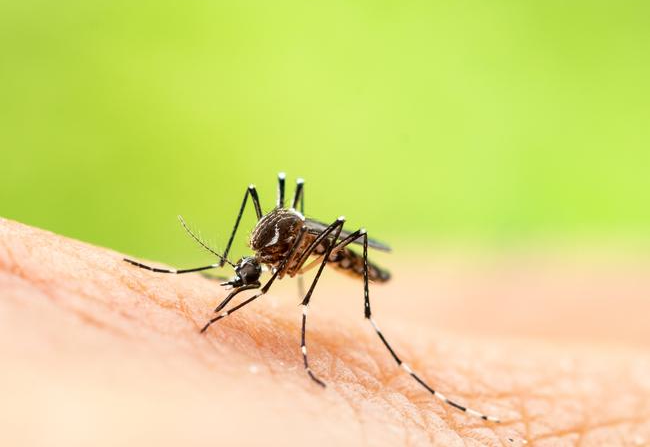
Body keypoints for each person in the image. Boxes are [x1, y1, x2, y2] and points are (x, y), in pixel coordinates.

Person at [1, 218, 649, 446]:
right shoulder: (261, 249)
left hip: (332, 246)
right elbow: (260, 257)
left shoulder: (294, 251)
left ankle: (335, 334)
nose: (248, 276)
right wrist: (210, 273)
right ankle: (204, 270)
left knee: (322, 233)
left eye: (248, 268)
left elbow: (301, 248)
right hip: (292, 245)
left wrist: (303, 330)